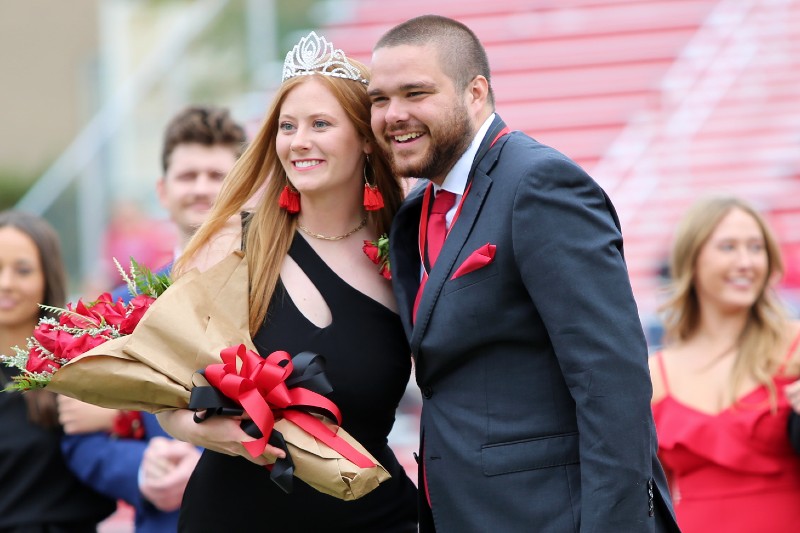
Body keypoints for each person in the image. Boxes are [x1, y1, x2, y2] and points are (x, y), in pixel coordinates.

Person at [366, 15, 679, 532]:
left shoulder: (540, 184)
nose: (393, 115)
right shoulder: (419, 207)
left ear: (475, 92)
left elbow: (611, 380)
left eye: (415, 93)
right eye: (379, 99)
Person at [156, 31, 417, 531]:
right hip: (233, 517)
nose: (299, 142)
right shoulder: (229, 243)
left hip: (371, 516)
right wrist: (213, 433)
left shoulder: (411, 248)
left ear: (366, 137)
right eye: (287, 126)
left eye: (321, 124)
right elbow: (163, 396)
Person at [57, 105, 247, 533]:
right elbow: (78, 436)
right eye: (187, 176)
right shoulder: (120, 308)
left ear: (244, 186)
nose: (201, 189)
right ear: (162, 191)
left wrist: (200, 462)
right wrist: (142, 468)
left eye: (217, 176)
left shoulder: (282, 290)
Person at [650, 195, 800, 531]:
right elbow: (647, 493)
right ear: (692, 258)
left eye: (756, 247)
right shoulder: (654, 374)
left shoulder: (795, 346)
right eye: (729, 247)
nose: (746, 262)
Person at [0, 210, 117, 532]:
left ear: (46, 277)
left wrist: (119, 414)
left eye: (22, 270)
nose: (5, 283)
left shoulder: (82, 363)